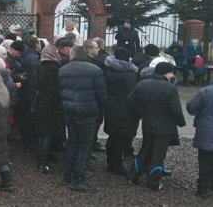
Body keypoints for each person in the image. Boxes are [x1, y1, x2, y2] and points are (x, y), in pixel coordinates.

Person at [128, 62, 186, 191]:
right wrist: (181, 123)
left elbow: (131, 101)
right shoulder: (170, 88)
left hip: (147, 123)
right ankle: (153, 182)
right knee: (158, 153)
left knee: (145, 148)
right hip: (164, 126)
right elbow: (176, 110)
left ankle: (133, 176)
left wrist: (141, 113)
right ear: (167, 73)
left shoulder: (142, 84)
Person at [58, 43, 107, 193]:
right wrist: (101, 109)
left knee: (72, 141)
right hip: (87, 111)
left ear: (73, 54)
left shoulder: (62, 69)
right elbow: (101, 94)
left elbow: (60, 90)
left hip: (69, 110)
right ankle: (78, 178)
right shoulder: (95, 70)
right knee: (85, 144)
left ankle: (68, 174)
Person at [103, 48, 139, 176]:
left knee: (113, 137)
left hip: (112, 106)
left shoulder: (110, 70)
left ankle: (110, 162)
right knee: (120, 138)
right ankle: (117, 165)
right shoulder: (128, 73)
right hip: (124, 109)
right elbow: (132, 94)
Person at [35, 45, 64, 173]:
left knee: (42, 132)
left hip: (42, 102)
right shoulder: (54, 69)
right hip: (51, 104)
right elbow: (56, 89)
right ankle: (43, 162)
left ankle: (41, 157)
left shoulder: (41, 66)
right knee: (47, 133)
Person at [186, 77, 213, 198]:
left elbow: (191, 107)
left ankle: (202, 188)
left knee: (205, 162)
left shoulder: (206, 91)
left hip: (207, 131)